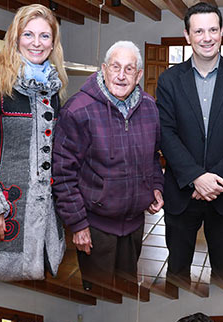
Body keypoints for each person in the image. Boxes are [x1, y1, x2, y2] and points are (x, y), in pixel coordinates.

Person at [156, 2, 223, 290]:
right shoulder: (168, 81)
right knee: (176, 272)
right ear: (187, 35)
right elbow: (166, 133)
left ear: (222, 32)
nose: (207, 37)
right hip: (182, 195)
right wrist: (196, 178)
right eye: (199, 30)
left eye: (213, 29)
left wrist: (215, 181)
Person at [0, 4, 67, 282]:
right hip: (4, 210)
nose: (36, 43)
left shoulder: (54, 88)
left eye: (45, 36)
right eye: (28, 34)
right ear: (15, 38)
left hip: (44, 215)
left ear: (53, 42)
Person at [52, 41, 163, 288]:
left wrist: (155, 186)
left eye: (129, 69)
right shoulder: (78, 110)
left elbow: (153, 157)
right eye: (115, 67)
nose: (121, 76)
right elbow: (62, 174)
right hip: (95, 227)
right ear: (104, 69)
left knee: (125, 295)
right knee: (98, 299)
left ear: (139, 75)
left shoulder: (149, 108)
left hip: (134, 225)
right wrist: (78, 224)